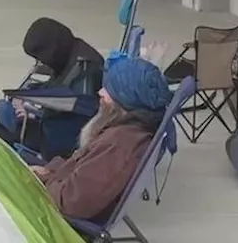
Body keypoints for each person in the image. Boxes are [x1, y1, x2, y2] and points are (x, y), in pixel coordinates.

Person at [31, 57, 171, 223]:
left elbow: (70, 203)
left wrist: (41, 182)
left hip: (55, 213)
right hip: (60, 186)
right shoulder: (124, 130)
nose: (100, 92)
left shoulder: (118, 146)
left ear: (126, 100)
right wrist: (49, 171)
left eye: (109, 90)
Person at [0, 17, 106, 159]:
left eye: (41, 57)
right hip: (56, 123)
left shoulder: (85, 69)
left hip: (61, 137)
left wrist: (32, 110)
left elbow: (72, 109)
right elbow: (58, 90)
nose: (41, 62)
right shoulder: (70, 53)